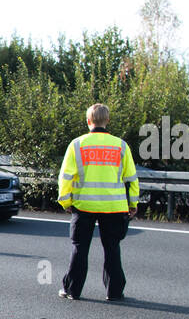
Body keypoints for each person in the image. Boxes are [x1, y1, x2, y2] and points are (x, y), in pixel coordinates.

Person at [57, 103, 138, 301]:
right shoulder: (120, 145)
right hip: (114, 206)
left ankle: (72, 290)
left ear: (88, 121)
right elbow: (131, 178)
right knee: (112, 249)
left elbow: (65, 177)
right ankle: (115, 292)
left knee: (80, 248)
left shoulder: (77, 144)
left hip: (84, 205)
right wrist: (133, 203)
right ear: (107, 120)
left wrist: (65, 202)